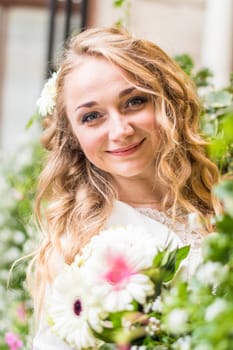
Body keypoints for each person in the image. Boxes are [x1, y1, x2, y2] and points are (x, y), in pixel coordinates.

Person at [30, 26, 220, 349]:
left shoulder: (218, 199)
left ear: (166, 103)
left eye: (134, 101)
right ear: (72, 136)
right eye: (92, 117)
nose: (120, 130)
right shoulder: (76, 252)